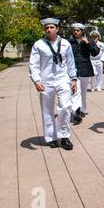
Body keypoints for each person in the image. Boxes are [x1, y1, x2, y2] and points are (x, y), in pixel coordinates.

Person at [29, 18, 77, 150]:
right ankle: (51, 138)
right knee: (47, 110)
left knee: (66, 107)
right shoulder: (39, 44)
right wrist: (37, 80)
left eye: (51, 27)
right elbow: (34, 65)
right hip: (46, 81)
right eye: (46, 28)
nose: (49, 30)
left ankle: (65, 136)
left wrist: (73, 79)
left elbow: (70, 62)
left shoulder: (65, 43)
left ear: (57, 29)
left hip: (63, 79)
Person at [68, 23, 100, 123]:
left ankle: (82, 109)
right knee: (75, 91)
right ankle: (76, 112)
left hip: (85, 68)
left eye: (78, 30)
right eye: (74, 30)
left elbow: (95, 52)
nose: (76, 32)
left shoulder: (88, 40)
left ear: (82, 31)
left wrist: (88, 43)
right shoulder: (68, 42)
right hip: (73, 70)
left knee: (83, 92)